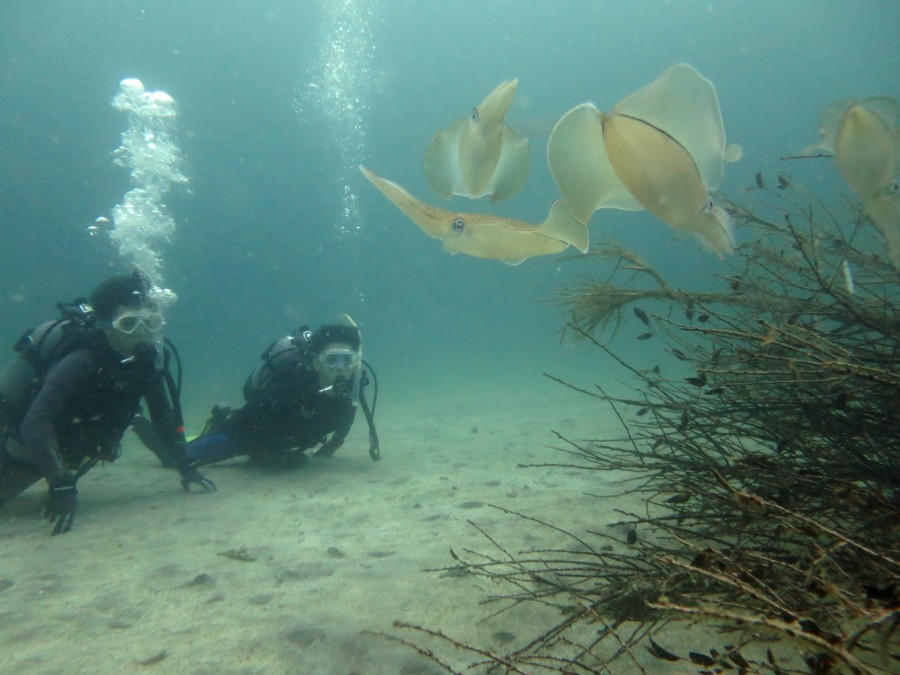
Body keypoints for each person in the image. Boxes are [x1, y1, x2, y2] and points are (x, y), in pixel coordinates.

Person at [0, 271, 215, 535]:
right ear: (106, 325)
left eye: (151, 323)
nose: (141, 334)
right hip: (24, 448)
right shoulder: (84, 359)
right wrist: (60, 482)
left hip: (66, 448)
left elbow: (163, 414)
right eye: (129, 324)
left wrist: (184, 462)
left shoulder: (150, 363)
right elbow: (35, 422)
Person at [138, 321, 380, 469]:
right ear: (317, 363)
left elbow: (345, 420)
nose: (341, 368)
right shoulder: (290, 380)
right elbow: (260, 419)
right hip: (243, 436)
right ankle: (136, 419)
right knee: (175, 459)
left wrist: (329, 448)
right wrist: (271, 455)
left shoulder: (352, 387)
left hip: (285, 447)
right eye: (332, 359)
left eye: (347, 360)